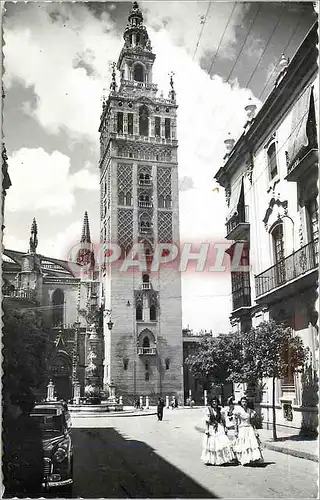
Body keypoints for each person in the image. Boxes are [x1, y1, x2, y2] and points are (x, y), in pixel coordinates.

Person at [3, 388, 44, 497]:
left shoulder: (19, 426)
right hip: (31, 477)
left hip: (23, 481)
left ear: (17, 407)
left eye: (7, 404)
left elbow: (18, 453)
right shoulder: (31, 424)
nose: (5, 407)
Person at [201, 396, 235, 466]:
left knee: (222, 442)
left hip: (219, 427)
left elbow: (223, 419)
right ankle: (212, 459)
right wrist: (207, 429)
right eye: (213, 402)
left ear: (217, 402)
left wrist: (225, 427)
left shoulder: (220, 409)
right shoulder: (208, 410)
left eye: (215, 402)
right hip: (212, 427)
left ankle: (221, 459)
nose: (214, 403)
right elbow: (207, 421)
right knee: (213, 444)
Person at [233, 395, 263, 465]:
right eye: (243, 402)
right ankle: (243, 459)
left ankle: (252, 458)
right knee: (243, 443)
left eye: (245, 402)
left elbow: (252, 422)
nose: (244, 403)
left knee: (251, 443)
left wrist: (255, 430)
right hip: (241, 428)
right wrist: (236, 431)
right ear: (240, 402)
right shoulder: (238, 410)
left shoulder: (250, 411)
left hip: (249, 428)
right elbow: (235, 422)